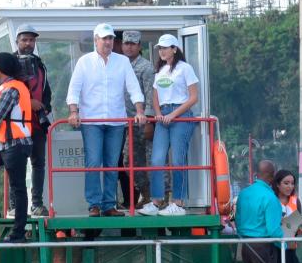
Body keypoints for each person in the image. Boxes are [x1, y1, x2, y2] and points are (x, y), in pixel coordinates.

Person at [66, 23, 142, 216]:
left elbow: (133, 87)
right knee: (93, 162)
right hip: (92, 121)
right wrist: (74, 112)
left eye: (110, 38)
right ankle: (94, 204)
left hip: (116, 121)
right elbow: (74, 89)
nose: (108, 42)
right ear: (95, 40)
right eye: (104, 38)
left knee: (112, 164)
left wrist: (140, 111)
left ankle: (109, 205)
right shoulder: (84, 62)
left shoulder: (122, 62)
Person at [141, 34, 203, 217]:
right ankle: (156, 200)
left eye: (166, 47)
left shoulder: (185, 68)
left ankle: (178, 202)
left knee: (178, 159)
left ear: (175, 49)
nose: (162, 51)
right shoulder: (160, 70)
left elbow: (193, 97)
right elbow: (155, 94)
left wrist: (173, 115)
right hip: (163, 118)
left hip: (180, 115)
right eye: (160, 48)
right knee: (157, 159)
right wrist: (159, 113)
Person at [0, 53, 35, 241]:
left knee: (18, 188)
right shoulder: (2, 88)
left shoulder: (11, 90)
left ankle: (18, 231)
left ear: (3, 68)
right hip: (4, 144)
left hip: (15, 144)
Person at [14, 28, 53, 217]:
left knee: (38, 164)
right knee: (16, 164)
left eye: (31, 40)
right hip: (17, 124)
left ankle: (36, 204)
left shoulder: (40, 64)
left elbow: (47, 90)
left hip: (37, 123)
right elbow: (6, 92)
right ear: (17, 42)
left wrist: (45, 107)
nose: (28, 43)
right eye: (24, 40)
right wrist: (29, 103)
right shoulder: (9, 63)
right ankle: (15, 204)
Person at [118, 30, 157, 211]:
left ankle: (158, 197)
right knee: (129, 161)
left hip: (143, 121)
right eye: (126, 43)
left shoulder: (146, 67)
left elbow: (150, 95)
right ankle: (146, 194)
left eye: (133, 44)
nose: (129, 47)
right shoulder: (119, 65)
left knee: (150, 160)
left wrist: (149, 121)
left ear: (139, 46)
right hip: (127, 123)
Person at [234, 160, 283, 263]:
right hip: (264, 246)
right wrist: (284, 245)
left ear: (258, 173)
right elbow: (273, 231)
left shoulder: (244, 193)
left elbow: (238, 221)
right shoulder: (270, 197)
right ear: (272, 175)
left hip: (246, 245)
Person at [273, 168, 302, 263]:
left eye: (292, 183)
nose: (290, 186)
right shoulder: (272, 200)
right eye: (286, 183)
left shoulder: (296, 201)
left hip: (290, 248)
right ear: (277, 184)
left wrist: (296, 229)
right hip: (273, 249)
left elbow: (299, 223)